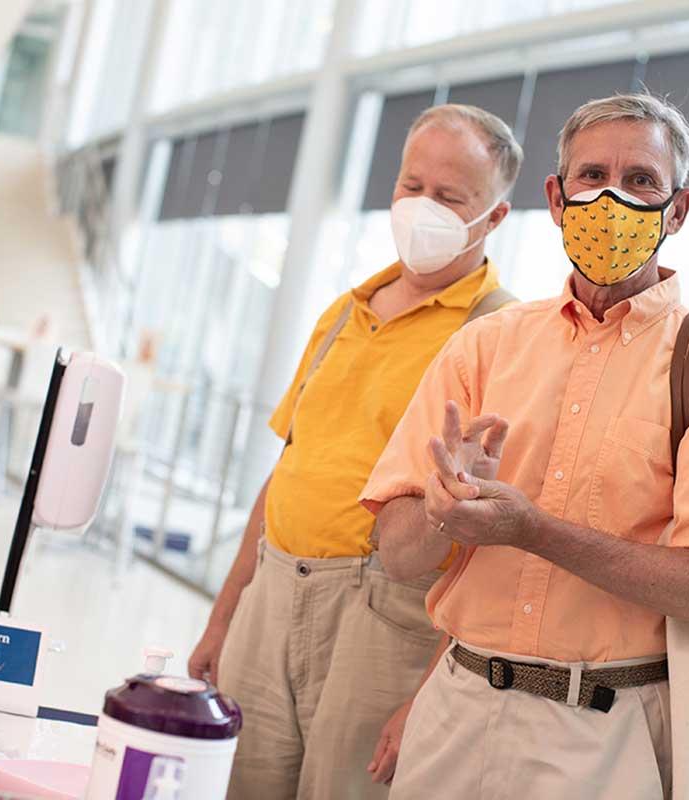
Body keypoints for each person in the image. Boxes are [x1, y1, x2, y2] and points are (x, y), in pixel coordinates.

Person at [360, 93, 689, 799]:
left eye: (642, 180)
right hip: (456, 708)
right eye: (591, 176)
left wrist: (531, 530)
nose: (611, 197)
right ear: (557, 198)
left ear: (677, 211)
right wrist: (445, 509)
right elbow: (399, 556)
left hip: (602, 736)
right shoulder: (487, 347)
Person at [186, 104, 522, 799]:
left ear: (493, 218)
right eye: (411, 186)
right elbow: (287, 469)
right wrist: (225, 617)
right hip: (272, 594)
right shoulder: (342, 313)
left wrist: (428, 693)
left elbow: (489, 551)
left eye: (449, 196)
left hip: (386, 618)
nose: (421, 207)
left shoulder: (500, 338)